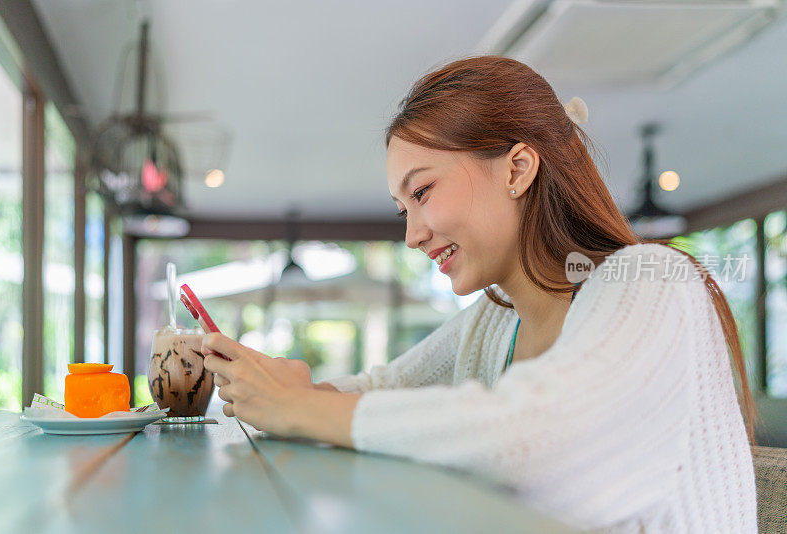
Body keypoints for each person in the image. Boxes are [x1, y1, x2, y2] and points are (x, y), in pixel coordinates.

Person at [202, 56, 758, 532]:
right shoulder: (495, 320)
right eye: (403, 209)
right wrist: (282, 389)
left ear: (517, 168)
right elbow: (380, 391)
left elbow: (545, 442)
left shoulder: (653, 281)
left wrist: (304, 406)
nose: (411, 235)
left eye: (422, 191)